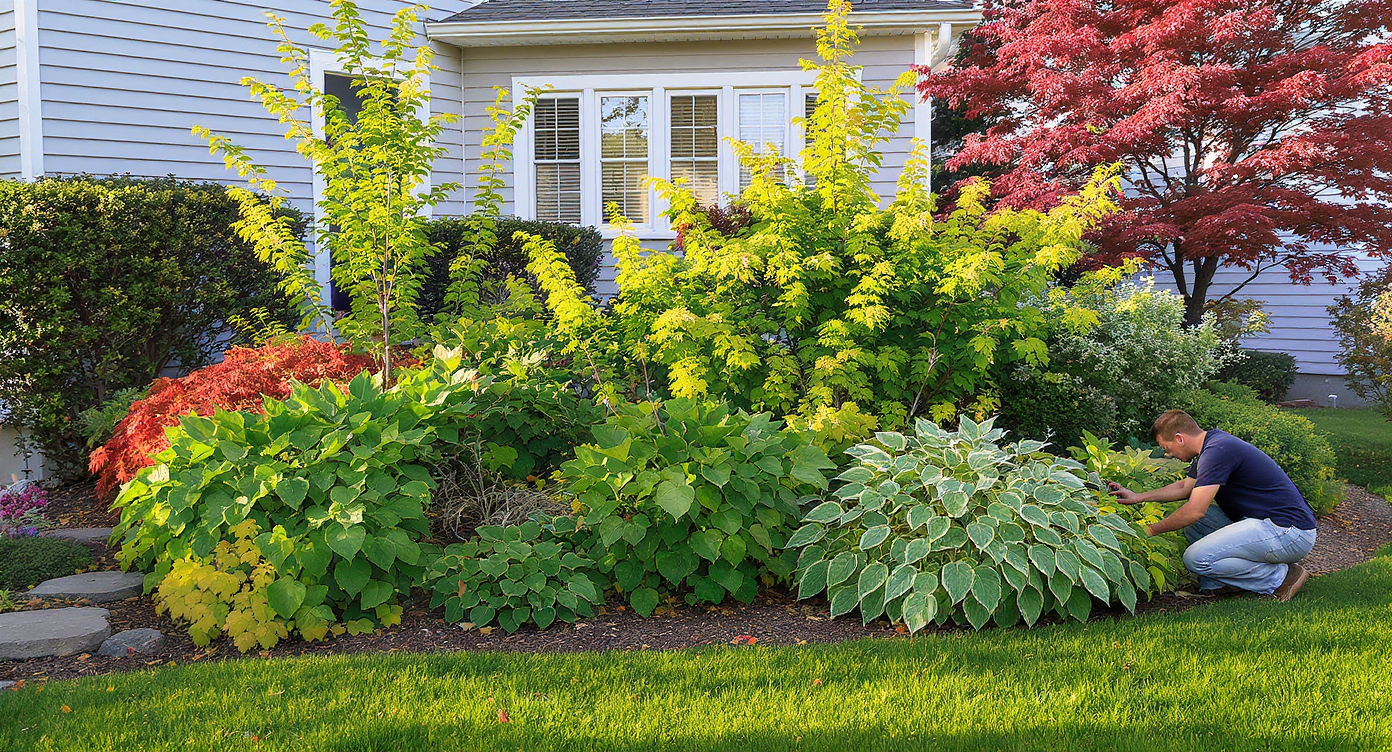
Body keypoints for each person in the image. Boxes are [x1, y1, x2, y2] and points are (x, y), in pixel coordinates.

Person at [1107, 409, 1318, 600]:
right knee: (1199, 522)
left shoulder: (1217, 451)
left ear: (1179, 438)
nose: (1168, 454)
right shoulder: (1212, 447)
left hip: (1288, 531)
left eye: (1167, 447)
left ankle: (1279, 576)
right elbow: (1184, 489)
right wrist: (1137, 496)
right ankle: (1217, 586)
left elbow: (1194, 511)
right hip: (1267, 524)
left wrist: (1150, 530)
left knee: (1195, 558)